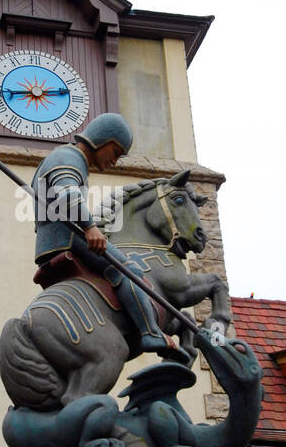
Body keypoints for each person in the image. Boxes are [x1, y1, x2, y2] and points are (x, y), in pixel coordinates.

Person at [32, 112, 182, 360]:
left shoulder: (69, 157)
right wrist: (90, 227)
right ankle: (150, 332)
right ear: (102, 141)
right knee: (126, 268)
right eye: (115, 153)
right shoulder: (68, 156)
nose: (115, 161)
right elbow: (67, 195)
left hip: (55, 238)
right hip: (66, 237)